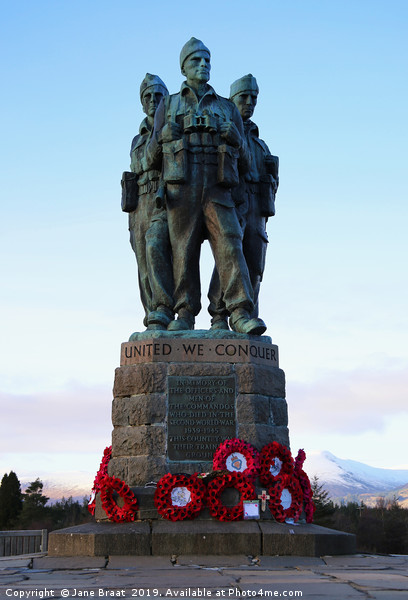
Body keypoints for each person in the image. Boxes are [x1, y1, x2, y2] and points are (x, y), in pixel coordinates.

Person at [146, 39, 266, 335]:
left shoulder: (227, 108)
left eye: (207, 61)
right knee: (183, 250)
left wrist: (236, 139)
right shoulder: (169, 104)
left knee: (230, 243)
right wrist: (162, 137)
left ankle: (239, 312)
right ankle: (184, 312)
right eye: (196, 61)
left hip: (217, 186)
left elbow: (249, 165)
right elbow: (150, 159)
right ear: (184, 67)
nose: (203, 66)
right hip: (181, 186)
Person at [208, 74, 279, 329]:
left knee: (254, 266)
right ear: (232, 100)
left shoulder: (261, 146)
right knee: (228, 259)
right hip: (232, 203)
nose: (249, 102)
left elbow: (274, 180)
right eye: (244, 97)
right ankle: (219, 315)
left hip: (257, 211)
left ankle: (248, 316)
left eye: (254, 98)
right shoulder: (223, 131)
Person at [125, 73, 174, 330]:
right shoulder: (137, 139)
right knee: (143, 265)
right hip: (138, 205)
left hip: (162, 199)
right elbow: (136, 167)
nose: (153, 100)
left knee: (157, 249)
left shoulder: (171, 129)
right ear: (142, 103)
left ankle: (165, 309)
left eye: (158, 96)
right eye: (148, 97)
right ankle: (153, 317)